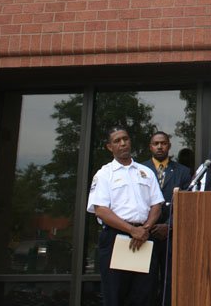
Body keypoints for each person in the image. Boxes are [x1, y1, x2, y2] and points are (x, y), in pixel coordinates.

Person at [87, 127, 164, 306]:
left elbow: (157, 205)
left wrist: (143, 230)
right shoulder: (104, 174)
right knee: (116, 295)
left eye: (125, 139)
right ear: (109, 147)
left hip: (144, 237)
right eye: (117, 141)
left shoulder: (146, 172)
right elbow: (101, 210)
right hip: (117, 237)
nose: (123, 143)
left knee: (144, 294)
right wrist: (131, 230)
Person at [140, 131, 191, 306]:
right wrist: (147, 226)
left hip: (171, 235)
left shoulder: (183, 171)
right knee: (146, 283)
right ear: (150, 146)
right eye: (156, 143)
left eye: (163, 143)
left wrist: (169, 226)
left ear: (169, 145)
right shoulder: (140, 170)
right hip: (145, 234)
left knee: (170, 281)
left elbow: (186, 204)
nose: (160, 146)